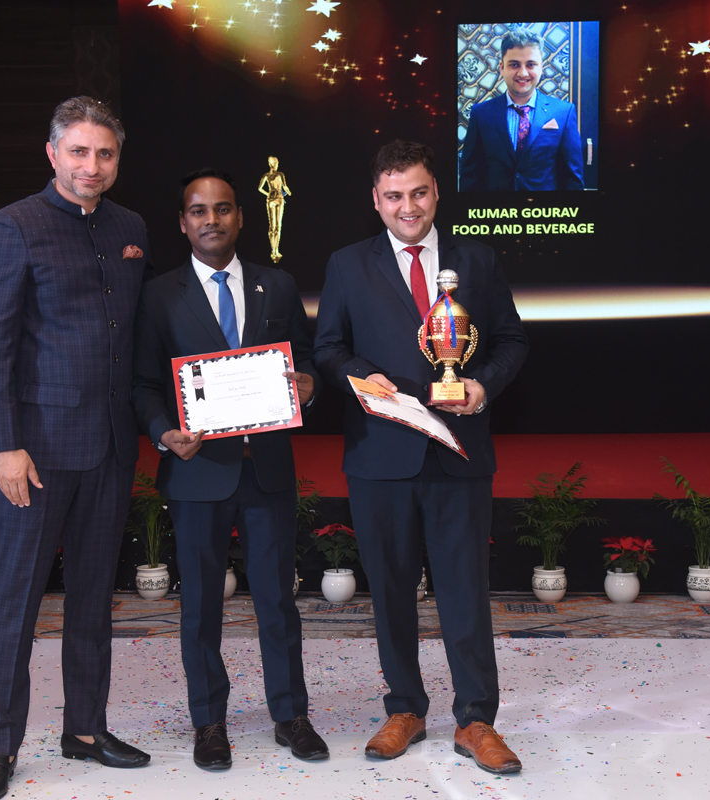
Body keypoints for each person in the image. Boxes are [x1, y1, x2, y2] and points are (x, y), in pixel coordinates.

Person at [314, 140, 529, 774]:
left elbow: (512, 340)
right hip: (380, 455)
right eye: (393, 196)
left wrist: (483, 385)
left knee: (465, 590)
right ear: (376, 200)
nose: (407, 207)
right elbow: (327, 347)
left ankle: (476, 719)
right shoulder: (347, 264)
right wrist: (359, 375)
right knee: (390, 591)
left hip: (460, 453)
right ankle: (404, 708)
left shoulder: (477, 259)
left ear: (436, 192)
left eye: (418, 193)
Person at [0, 96, 151, 800]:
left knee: (92, 601)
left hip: (110, 447)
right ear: (52, 153)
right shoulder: (12, 226)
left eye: (104, 153)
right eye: (78, 151)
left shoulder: (130, 227)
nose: (91, 165)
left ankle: (85, 729)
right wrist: (4, 446)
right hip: (36, 456)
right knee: (14, 601)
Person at [131, 168, 328, 770]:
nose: (210, 219)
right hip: (196, 473)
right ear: (183, 222)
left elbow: (306, 363)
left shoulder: (278, 285)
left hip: (266, 470)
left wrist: (308, 386)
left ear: (242, 217)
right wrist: (163, 432)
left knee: (277, 600)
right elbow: (143, 384)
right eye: (198, 210)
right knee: (201, 609)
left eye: (222, 209)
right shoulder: (158, 295)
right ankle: (208, 722)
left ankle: (290, 715)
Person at [459, 30, 584, 192]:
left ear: (541, 68)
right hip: (496, 208)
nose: (523, 73)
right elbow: (470, 177)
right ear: (502, 68)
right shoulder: (481, 114)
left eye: (530, 65)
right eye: (514, 65)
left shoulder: (563, 113)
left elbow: (572, 180)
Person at [257, 155, 292, 263]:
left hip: (271, 200)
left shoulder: (267, 176)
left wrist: (268, 194)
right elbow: (284, 187)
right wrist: (289, 193)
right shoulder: (279, 174)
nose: (277, 165)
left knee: (273, 226)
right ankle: (275, 251)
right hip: (278, 199)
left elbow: (260, 188)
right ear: (274, 164)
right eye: (276, 164)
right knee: (277, 226)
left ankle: (274, 250)